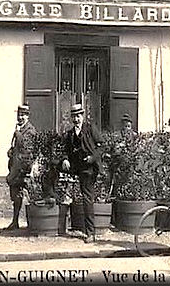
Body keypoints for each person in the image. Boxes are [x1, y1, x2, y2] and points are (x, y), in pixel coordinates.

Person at [61, 104, 104, 243]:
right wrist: (65, 159)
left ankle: (90, 233)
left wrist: (92, 158)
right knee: (54, 167)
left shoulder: (90, 129)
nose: (76, 119)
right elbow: (65, 150)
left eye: (78, 116)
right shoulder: (70, 133)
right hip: (77, 167)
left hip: (89, 169)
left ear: (83, 116)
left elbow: (101, 146)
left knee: (87, 198)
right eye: (74, 116)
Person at [2, 104, 37, 231]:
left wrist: (17, 133)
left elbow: (26, 147)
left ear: (27, 116)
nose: (20, 118)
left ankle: (34, 223)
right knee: (16, 195)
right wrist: (11, 151)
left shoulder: (30, 130)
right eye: (19, 115)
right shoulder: (20, 129)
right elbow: (17, 147)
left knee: (31, 193)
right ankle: (15, 221)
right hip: (16, 166)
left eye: (23, 115)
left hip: (24, 167)